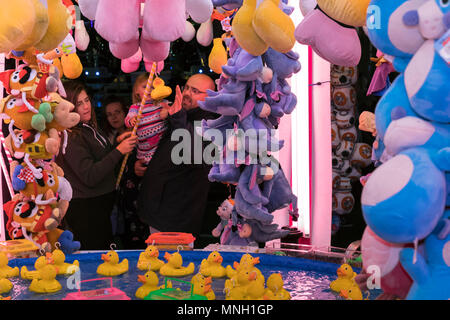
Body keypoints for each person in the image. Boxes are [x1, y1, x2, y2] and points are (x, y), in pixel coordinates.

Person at [56, 80, 137, 250]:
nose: (86, 106)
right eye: (79, 103)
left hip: (99, 207)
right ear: (69, 107)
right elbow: (90, 176)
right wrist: (119, 151)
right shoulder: (70, 137)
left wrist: (116, 146)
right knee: (94, 263)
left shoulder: (87, 127)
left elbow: (101, 161)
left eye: (86, 100)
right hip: (86, 211)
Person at [135, 73, 218, 238]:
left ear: (209, 98)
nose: (187, 93)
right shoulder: (179, 115)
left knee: (174, 263)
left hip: (175, 219)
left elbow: (194, 155)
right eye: (187, 87)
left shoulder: (212, 124)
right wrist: (140, 164)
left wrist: (178, 117)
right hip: (159, 213)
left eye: (195, 91)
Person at [125, 73, 169, 165]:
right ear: (136, 91)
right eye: (145, 87)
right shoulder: (136, 107)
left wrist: (167, 111)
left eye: (152, 87)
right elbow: (127, 120)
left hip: (162, 146)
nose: (149, 90)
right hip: (145, 150)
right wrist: (132, 119)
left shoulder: (161, 104)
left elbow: (173, 109)